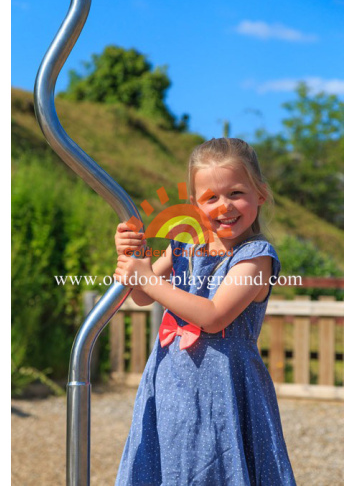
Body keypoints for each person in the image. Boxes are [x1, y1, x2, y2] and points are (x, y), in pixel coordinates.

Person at [113, 138, 296, 485]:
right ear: (196, 206)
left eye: (236, 193)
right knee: (171, 463)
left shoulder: (255, 256)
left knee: (217, 466)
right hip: (171, 385)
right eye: (211, 198)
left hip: (226, 388)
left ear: (261, 194)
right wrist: (130, 256)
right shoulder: (183, 249)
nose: (224, 206)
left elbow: (214, 316)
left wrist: (147, 281)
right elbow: (141, 295)